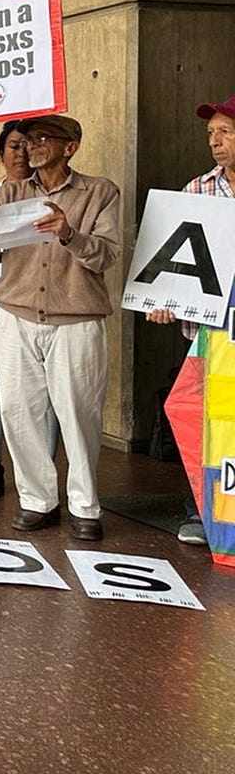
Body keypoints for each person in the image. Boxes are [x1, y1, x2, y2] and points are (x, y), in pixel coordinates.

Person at [0, 114, 120, 541]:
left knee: (78, 414)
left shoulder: (100, 192)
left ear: (69, 146)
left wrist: (69, 233)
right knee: (18, 411)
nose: (30, 146)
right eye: (26, 139)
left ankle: (86, 507)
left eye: (41, 139)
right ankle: (38, 501)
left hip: (77, 318)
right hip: (15, 316)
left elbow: (106, 256)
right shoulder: (9, 193)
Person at [143, 93, 235, 546]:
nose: (215, 142)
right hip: (209, 336)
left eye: (225, 132)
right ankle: (200, 510)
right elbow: (177, 265)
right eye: (211, 134)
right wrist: (165, 302)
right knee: (200, 419)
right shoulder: (197, 190)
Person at [0, 121, 60, 499]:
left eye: (28, 145)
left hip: (40, 304)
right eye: (13, 146)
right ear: (1, 153)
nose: (21, 153)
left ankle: (41, 468)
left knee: (45, 390)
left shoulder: (51, 194)